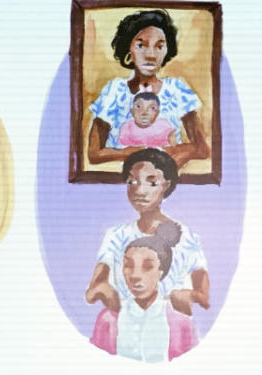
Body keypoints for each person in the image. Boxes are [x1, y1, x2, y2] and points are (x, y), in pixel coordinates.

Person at [85, 147, 209, 316]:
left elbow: (203, 295)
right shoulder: (115, 235)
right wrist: (104, 290)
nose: (139, 191)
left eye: (151, 182)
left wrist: (188, 296)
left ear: (166, 185)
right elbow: (96, 285)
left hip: (172, 326)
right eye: (133, 182)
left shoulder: (186, 237)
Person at [87, 8, 210, 170]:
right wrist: (134, 154)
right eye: (141, 45)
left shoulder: (177, 90)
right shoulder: (114, 91)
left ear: (167, 51)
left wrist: (173, 158)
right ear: (128, 50)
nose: (151, 54)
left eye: (159, 46)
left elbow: (202, 148)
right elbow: (94, 154)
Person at [90, 222, 199, 361]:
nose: (135, 275)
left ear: (161, 272)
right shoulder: (108, 320)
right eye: (128, 266)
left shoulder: (181, 323)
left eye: (147, 267)